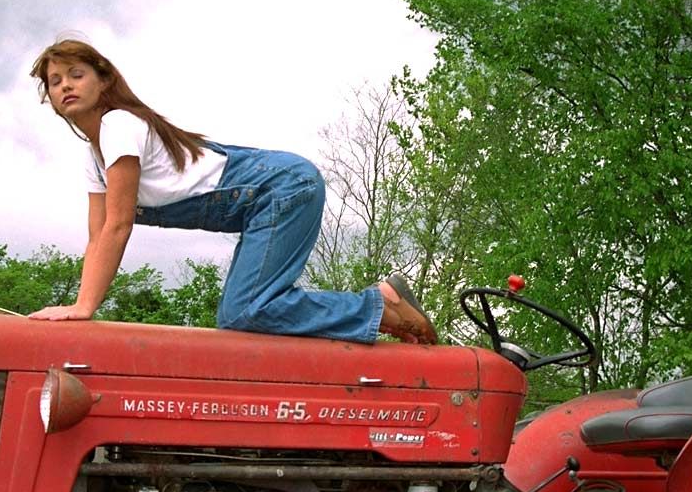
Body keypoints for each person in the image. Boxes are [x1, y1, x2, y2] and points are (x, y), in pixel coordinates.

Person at [27, 39, 436, 345]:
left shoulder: (119, 125)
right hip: (263, 201)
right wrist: (79, 307)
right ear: (51, 100)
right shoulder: (94, 156)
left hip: (281, 188)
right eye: (55, 81)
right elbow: (98, 236)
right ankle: (380, 307)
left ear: (104, 80)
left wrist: (84, 308)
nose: (65, 86)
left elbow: (118, 227)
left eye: (76, 75)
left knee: (246, 311)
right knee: (241, 316)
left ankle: (377, 307)